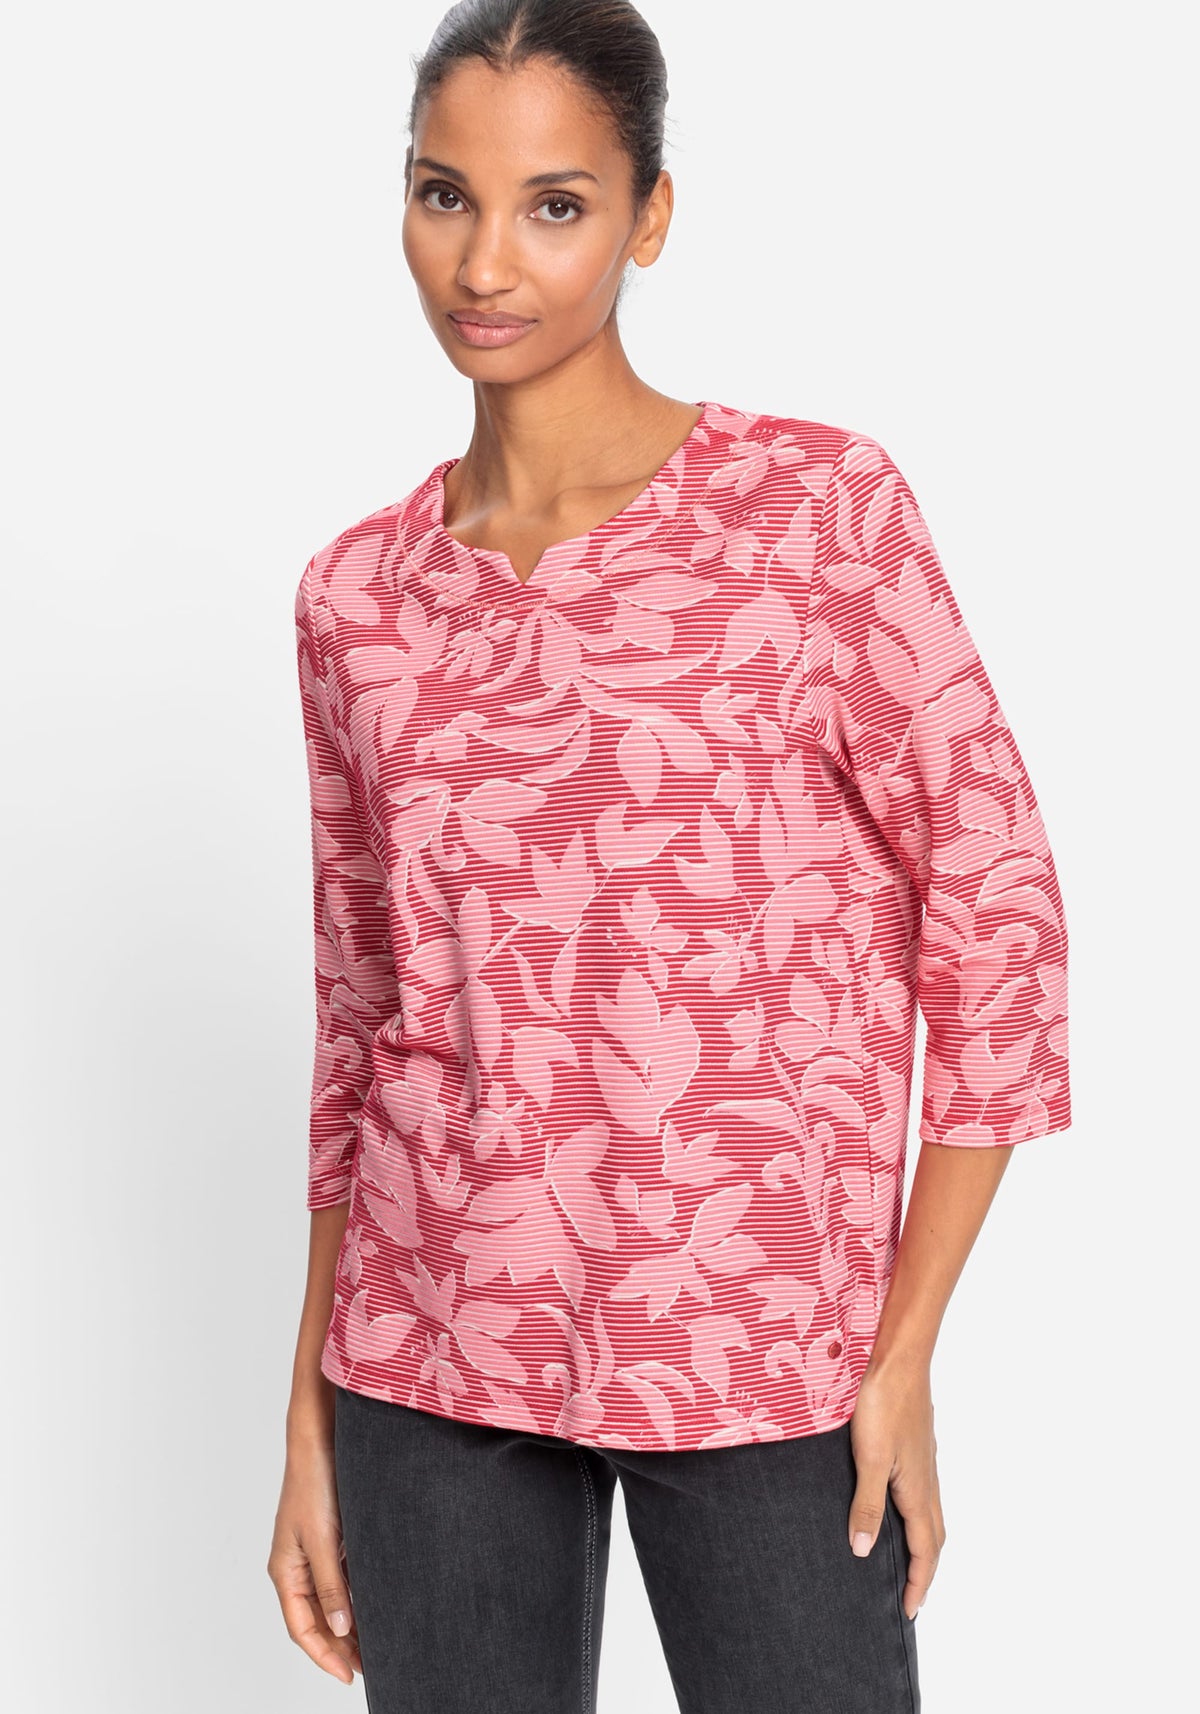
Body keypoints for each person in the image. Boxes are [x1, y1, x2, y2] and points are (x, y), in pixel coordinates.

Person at [267, 3, 1072, 1710]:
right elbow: (361, 1016)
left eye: (554, 205)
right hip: (431, 1352)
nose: (486, 262)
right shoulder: (356, 597)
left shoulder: (816, 515)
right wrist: (309, 1416)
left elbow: (999, 912)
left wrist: (904, 1348)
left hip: (765, 1346)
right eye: (443, 194)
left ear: (650, 218)